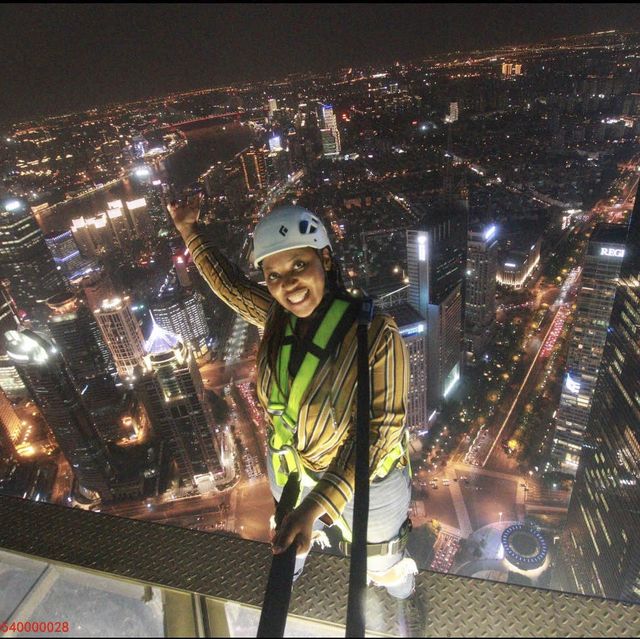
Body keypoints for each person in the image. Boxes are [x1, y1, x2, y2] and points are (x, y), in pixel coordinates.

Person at [169, 196, 418, 605]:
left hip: (369, 483)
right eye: (274, 275)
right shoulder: (276, 318)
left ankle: (400, 589)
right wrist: (189, 232)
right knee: (288, 541)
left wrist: (316, 506)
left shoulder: (375, 334)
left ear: (325, 259)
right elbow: (231, 287)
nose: (288, 284)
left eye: (299, 265)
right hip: (291, 466)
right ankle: (293, 565)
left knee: (381, 563)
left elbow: (377, 436)